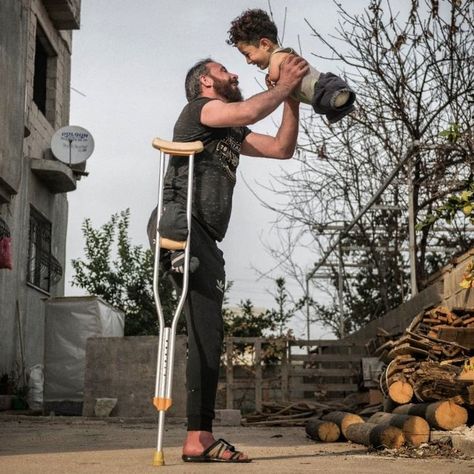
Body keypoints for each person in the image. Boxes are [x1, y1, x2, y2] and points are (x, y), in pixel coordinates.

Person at [147, 54, 308, 463]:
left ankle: (197, 438)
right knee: (202, 328)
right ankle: (177, 254)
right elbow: (254, 106)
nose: (233, 73)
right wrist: (284, 83)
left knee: (208, 335)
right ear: (205, 81)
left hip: (207, 241)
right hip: (181, 220)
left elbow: (281, 148)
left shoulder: (231, 129)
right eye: (223, 71)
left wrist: (294, 99)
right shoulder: (201, 110)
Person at [227, 8, 356, 124]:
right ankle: (342, 103)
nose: (248, 61)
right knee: (329, 103)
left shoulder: (277, 56)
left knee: (328, 97)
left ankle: (341, 99)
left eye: (247, 54)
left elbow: (274, 76)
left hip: (322, 87)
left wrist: (271, 85)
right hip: (321, 93)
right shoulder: (285, 54)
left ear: (265, 44)